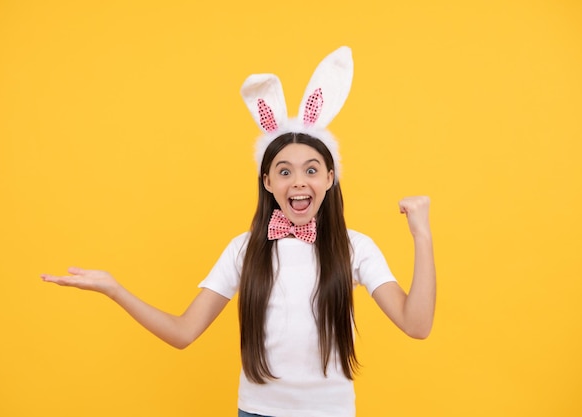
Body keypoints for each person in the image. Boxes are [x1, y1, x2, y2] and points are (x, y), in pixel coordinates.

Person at [41, 47, 436, 417]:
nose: (299, 182)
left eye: (312, 169)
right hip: (256, 412)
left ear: (331, 178)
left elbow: (416, 325)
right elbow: (183, 332)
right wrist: (115, 290)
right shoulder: (244, 250)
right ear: (267, 181)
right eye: (284, 171)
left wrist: (421, 235)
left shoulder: (354, 247)